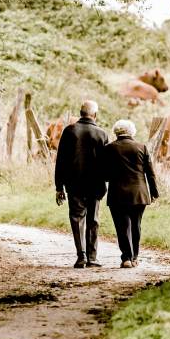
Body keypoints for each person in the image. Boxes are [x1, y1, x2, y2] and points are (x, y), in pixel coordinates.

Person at [55, 100, 108, 268]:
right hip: (95, 184)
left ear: (80, 112)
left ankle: (81, 256)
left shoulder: (70, 131)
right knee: (93, 219)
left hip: (74, 183)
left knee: (77, 218)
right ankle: (93, 258)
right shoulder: (102, 134)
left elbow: (61, 161)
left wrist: (59, 187)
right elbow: (107, 163)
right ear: (95, 115)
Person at [103, 119, 159, 268]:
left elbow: (104, 174)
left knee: (122, 226)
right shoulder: (142, 147)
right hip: (139, 193)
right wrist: (154, 193)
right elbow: (150, 173)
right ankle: (134, 257)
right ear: (131, 131)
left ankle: (126, 258)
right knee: (136, 225)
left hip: (117, 194)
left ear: (116, 132)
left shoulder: (109, 148)